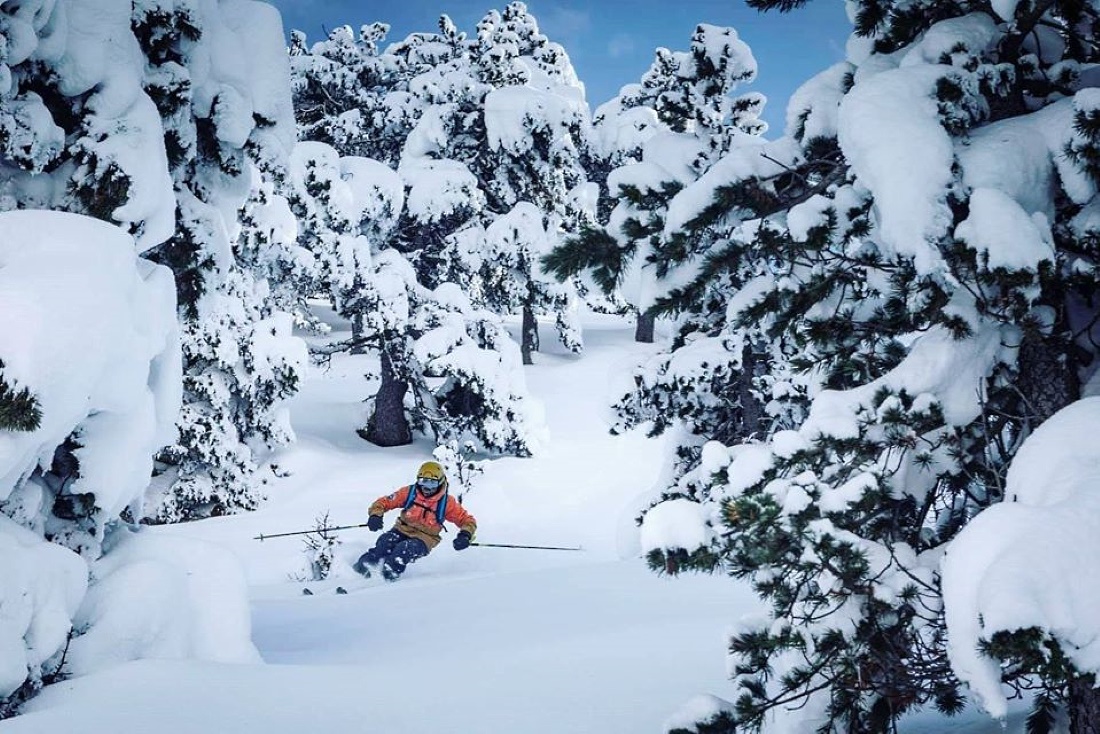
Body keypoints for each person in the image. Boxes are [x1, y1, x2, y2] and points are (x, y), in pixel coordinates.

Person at [353, 461, 477, 581]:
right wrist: (375, 515)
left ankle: (386, 580)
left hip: (424, 538)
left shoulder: (446, 503)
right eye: (423, 481)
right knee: (384, 543)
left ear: (440, 483)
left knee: (402, 551)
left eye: (432, 483)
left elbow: (467, 520)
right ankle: (355, 574)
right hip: (402, 529)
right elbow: (384, 502)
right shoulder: (410, 493)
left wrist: (465, 535)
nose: (426, 487)